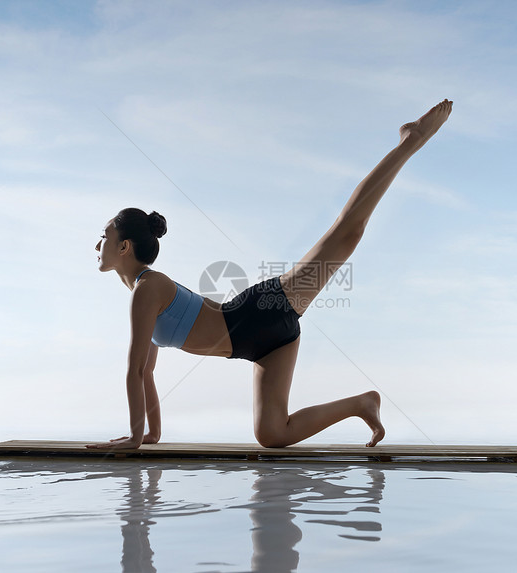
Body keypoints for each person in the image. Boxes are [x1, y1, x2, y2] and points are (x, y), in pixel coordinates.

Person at [87, 99, 452, 450]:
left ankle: (410, 140)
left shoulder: (147, 288)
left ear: (124, 247)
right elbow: (147, 373)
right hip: (259, 347)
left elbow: (133, 372)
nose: (98, 243)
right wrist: (150, 434)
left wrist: (134, 437)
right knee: (272, 433)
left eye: (105, 236)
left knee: (345, 236)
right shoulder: (142, 292)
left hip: (261, 311)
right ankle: (361, 404)